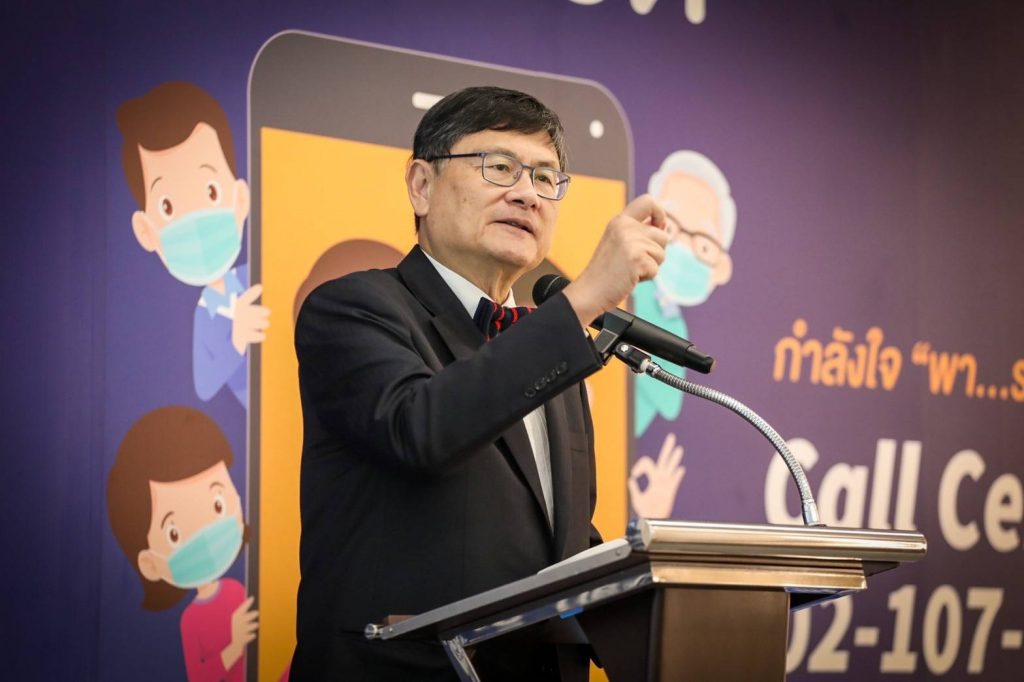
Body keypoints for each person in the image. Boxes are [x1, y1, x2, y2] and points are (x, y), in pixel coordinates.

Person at [292, 86, 667, 681]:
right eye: (499, 167)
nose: (527, 193)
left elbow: (555, 540)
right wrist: (584, 299)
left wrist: (664, 598)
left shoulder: (548, 349)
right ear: (421, 185)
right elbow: (420, 429)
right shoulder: (353, 308)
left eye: (545, 177)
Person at [117, 81, 270, 408]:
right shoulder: (206, 315)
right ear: (147, 232)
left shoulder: (260, 275)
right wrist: (236, 339)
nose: (196, 226)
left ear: (240, 199)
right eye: (168, 207)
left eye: (211, 192)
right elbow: (205, 384)